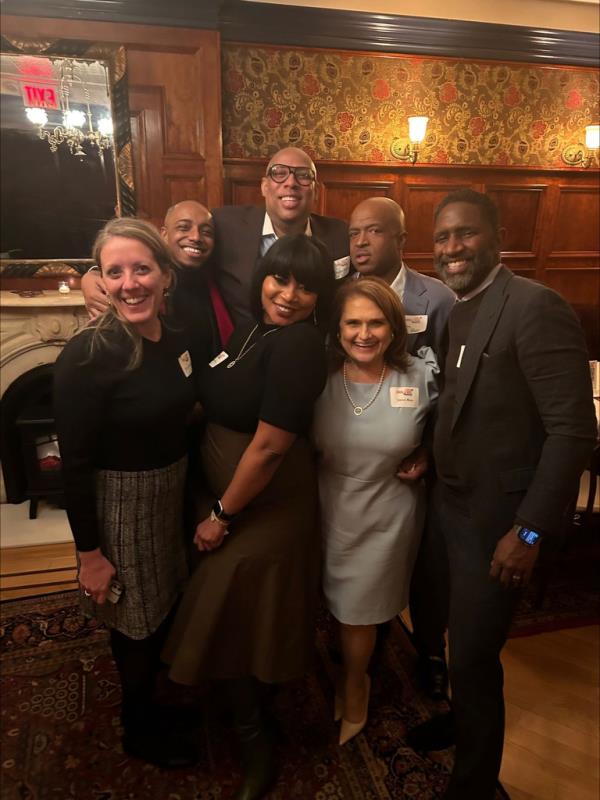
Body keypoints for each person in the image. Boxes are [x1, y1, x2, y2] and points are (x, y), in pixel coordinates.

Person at [412, 189, 596, 799]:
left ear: (497, 236)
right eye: (441, 238)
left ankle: (474, 784)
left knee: (473, 656)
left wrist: (531, 530)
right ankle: (462, 724)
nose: (451, 248)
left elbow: (573, 430)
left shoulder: (534, 306)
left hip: (499, 524)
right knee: (451, 639)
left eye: (464, 234)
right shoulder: (459, 310)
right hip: (449, 506)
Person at [162, 233, 336, 800]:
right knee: (235, 611)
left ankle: (257, 740)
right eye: (279, 279)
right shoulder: (253, 328)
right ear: (262, 276)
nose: (288, 295)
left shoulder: (299, 345)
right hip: (232, 495)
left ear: (319, 298)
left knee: (223, 594)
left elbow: (267, 448)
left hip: (267, 503)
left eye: (305, 287)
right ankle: (251, 712)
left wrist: (220, 512)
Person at [53, 218, 199, 768]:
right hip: (120, 508)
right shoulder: (87, 357)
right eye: (114, 272)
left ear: (165, 275)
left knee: (161, 612)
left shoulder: (177, 335)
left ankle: (154, 706)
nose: (129, 283)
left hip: (170, 496)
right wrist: (90, 556)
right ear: (102, 281)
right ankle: (138, 730)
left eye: (142, 268)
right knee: (133, 628)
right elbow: (74, 467)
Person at [312, 277, 439, 745]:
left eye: (375, 323)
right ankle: (349, 668)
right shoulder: (318, 377)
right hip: (326, 505)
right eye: (352, 323)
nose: (363, 334)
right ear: (337, 327)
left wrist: (427, 454)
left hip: (388, 510)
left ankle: (355, 683)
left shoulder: (419, 376)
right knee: (331, 603)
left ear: (393, 327)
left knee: (359, 611)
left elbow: (448, 432)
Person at [348, 196, 456, 698]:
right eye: (354, 233)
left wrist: (432, 450)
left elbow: (455, 389)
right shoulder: (337, 296)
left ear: (400, 239)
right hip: (359, 450)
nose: (361, 242)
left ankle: (430, 650)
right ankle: (365, 639)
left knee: (427, 560)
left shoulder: (437, 299)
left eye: (373, 231)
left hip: (420, 455)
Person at [211, 147, 349, 323]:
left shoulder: (340, 235)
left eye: (304, 175)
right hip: (245, 344)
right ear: (264, 186)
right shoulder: (225, 225)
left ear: (316, 192)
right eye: (279, 173)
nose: (291, 182)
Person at [80, 201, 233, 351]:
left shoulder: (219, 278)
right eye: (184, 227)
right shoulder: (151, 283)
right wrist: (90, 276)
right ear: (164, 234)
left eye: (206, 232)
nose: (196, 237)